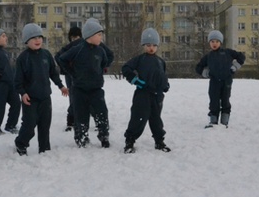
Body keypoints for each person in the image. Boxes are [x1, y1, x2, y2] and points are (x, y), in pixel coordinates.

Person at [13, 24, 69, 155]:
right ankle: (21, 143)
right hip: (30, 99)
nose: (37, 40)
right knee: (29, 125)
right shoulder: (23, 58)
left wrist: (61, 86)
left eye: (39, 37)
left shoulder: (46, 55)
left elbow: (53, 73)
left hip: (45, 98)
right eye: (33, 38)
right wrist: (22, 93)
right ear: (26, 40)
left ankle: (44, 149)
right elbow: (18, 80)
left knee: (45, 125)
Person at [57, 18, 111, 148]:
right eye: (99, 35)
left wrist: (99, 73)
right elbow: (61, 59)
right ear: (90, 36)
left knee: (102, 113)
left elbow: (104, 62)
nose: (101, 38)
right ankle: (81, 137)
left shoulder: (100, 51)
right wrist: (72, 72)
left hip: (96, 89)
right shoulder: (78, 49)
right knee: (81, 116)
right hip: (79, 89)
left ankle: (104, 136)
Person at [121, 28, 171, 154]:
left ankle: (159, 141)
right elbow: (126, 68)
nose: (151, 48)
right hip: (142, 94)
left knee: (156, 120)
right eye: (148, 45)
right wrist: (135, 80)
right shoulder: (140, 59)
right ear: (143, 45)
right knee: (138, 118)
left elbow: (162, 75)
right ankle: (130, 141)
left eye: (154, 45)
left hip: (157, 96)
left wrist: (165, 85)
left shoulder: (161, 61)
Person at [195, 30, 246, 128]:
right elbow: (198, 67)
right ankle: (213, 122)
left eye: (217, 41)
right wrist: (206, 73)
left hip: (226, 81)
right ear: (209, 43)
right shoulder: (208, 56)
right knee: (214, 101)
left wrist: (235, 67)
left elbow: (241, 57)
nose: (214, 44)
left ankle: (224, 122)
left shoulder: (228, 52)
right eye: (212, 41)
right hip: (214, 82)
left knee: (225, 100)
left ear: (220, 43)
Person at [0, 29, 21, 135]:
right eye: (3, 36)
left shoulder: (4, 52)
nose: (6, 38)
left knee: (16, 103)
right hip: (2, 83)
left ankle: (11, 125)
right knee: (0, 105)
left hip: (11, 83)